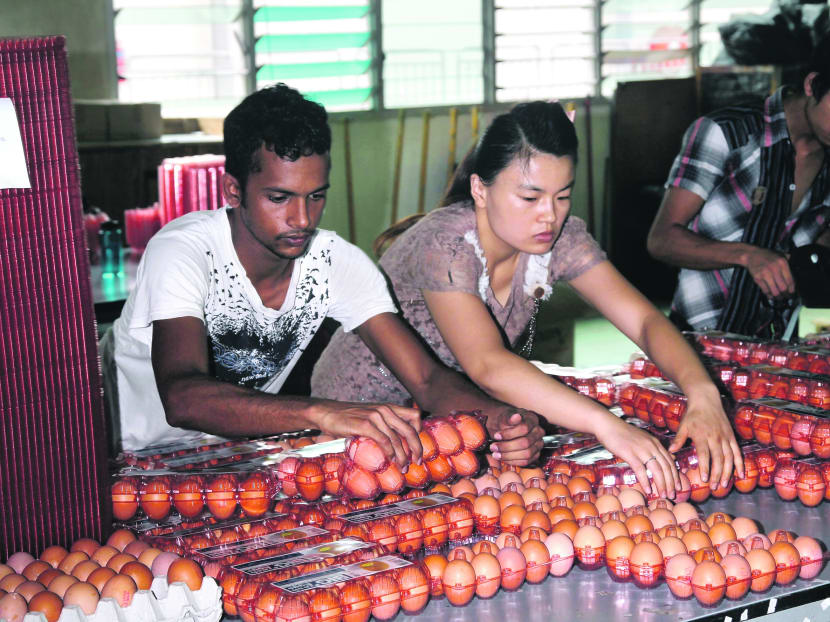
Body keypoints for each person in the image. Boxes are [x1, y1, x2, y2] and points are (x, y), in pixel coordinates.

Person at [313, 101, 744, 495]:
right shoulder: (444, 244)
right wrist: (607, 426)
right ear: (480, 190)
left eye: (563, 196)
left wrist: (702, 392)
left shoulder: (562, 238)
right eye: (530, 197)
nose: (550, 216)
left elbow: (645, 322)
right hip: (358, 416)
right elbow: (487, 363)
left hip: (446, 418)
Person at [103, 84, 544, 466]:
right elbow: (181, 396)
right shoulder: (183, 252)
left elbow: (426, 380)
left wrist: (502, 418)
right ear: (233, 190)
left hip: (229, 462)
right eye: (280, 197)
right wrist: (321, 412)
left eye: (316, 196)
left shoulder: (335, 263)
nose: (301, 218)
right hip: (122, 459)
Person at [647, 41, 830, 337]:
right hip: (697, 343)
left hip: (778, 349)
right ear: (812, 85)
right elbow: (662, 239)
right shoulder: (726, 133)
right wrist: (748, 255)